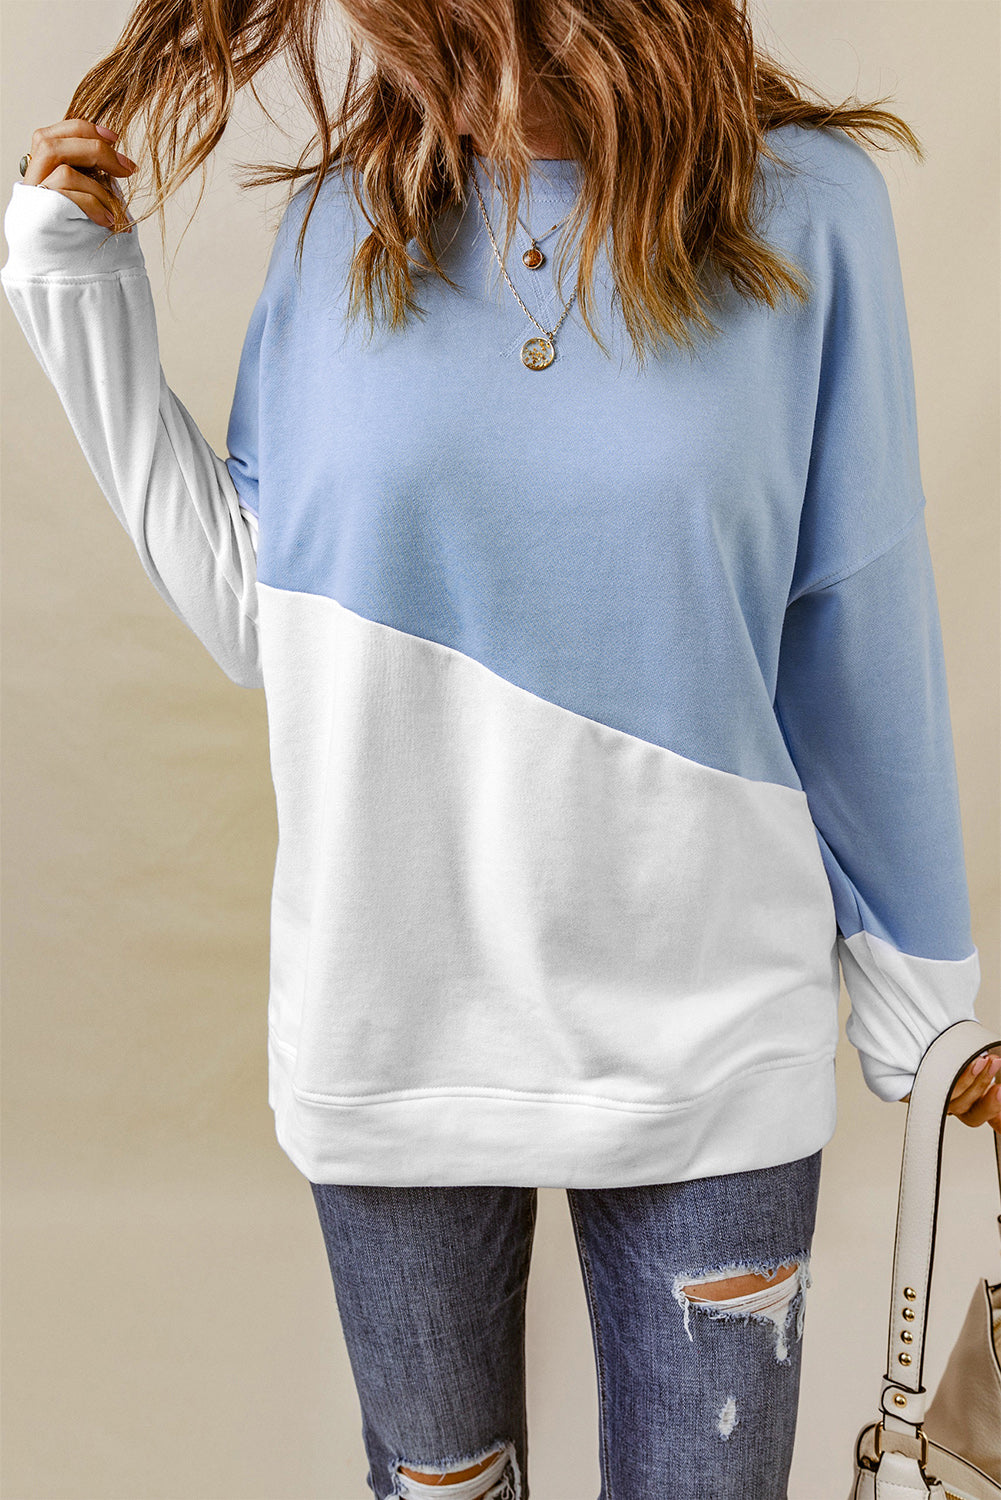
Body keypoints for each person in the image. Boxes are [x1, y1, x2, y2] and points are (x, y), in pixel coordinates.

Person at [3, 1, 997, 1494]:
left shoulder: (804, 209)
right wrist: (77, 300)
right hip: (393, 1021)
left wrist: (930, 1017)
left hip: (710, 1032)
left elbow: (857, 614)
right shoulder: (345, 223)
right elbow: (267, 615)